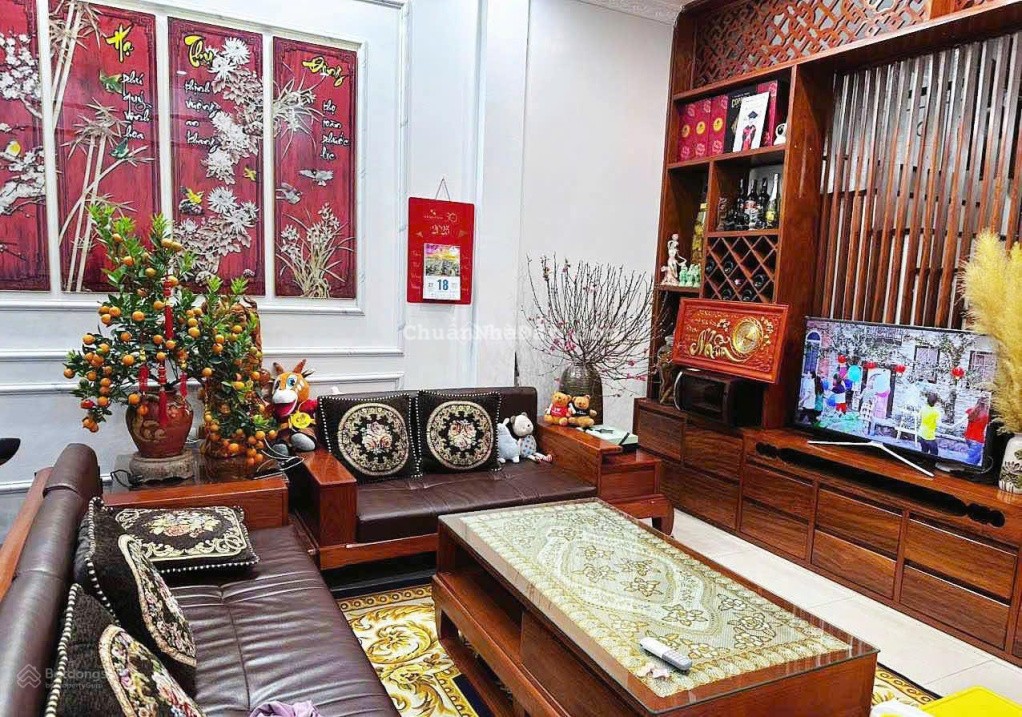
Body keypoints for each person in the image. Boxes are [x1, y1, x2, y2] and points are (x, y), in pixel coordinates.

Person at [964, 396, 991, 466]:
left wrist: (951, 427)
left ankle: (974, 468)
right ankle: (966, 470)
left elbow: (962, 421)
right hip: (978, 440)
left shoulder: (971, 410)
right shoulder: (987, 415)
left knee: (977, 457)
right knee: (970, 460)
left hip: (968, 438)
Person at [918, 392, 941, 456]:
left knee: (924, 451)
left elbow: (919, 417)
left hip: (921, 434)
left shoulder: (923, 408)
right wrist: (951, 427)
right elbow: (939, 424)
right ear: (936, 402)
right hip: (930, 436)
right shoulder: (936, 412)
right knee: (934, 454)